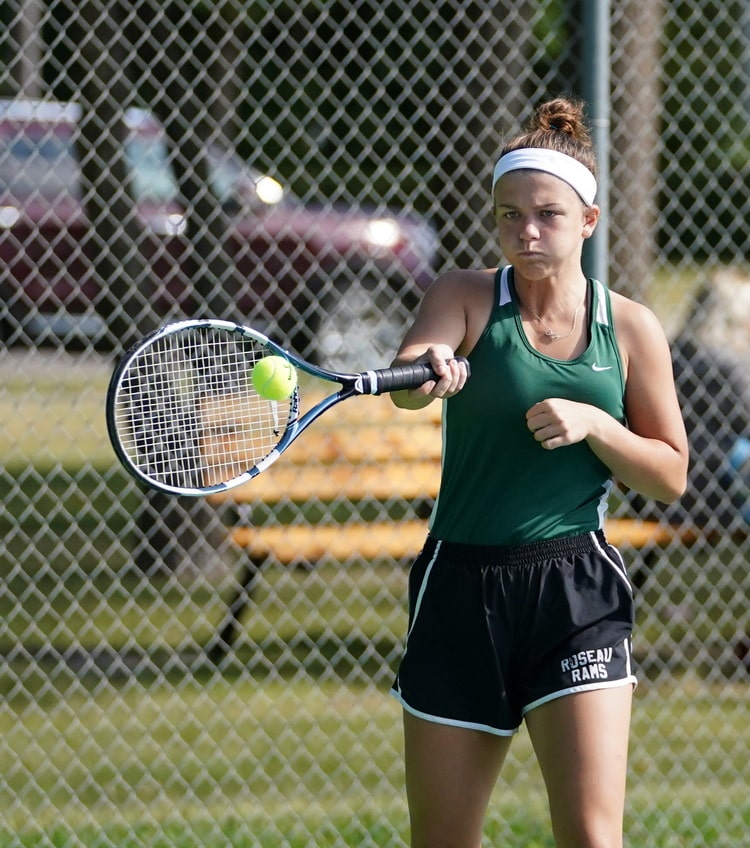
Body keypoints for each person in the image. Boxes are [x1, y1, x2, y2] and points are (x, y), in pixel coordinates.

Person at [388, 97, 689, 848]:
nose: (526, 230)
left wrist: (599, 425)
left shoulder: (631, 327)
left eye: (548, 214)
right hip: (460, 587)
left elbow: (670, 476)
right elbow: (409, 377)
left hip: (575, 587)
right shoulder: (463, 296)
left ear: (588, 220)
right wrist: (429, 367)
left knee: (591, 836)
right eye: (510, 214)